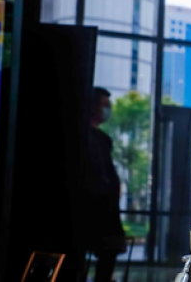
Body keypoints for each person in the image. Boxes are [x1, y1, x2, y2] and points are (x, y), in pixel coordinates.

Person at [83, 87, 126, 282]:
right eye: (104, 105)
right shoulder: (86, 137)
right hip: (93, 206)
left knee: (110, 248)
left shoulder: (103, 139)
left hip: (106, 207)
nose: (108, 110)